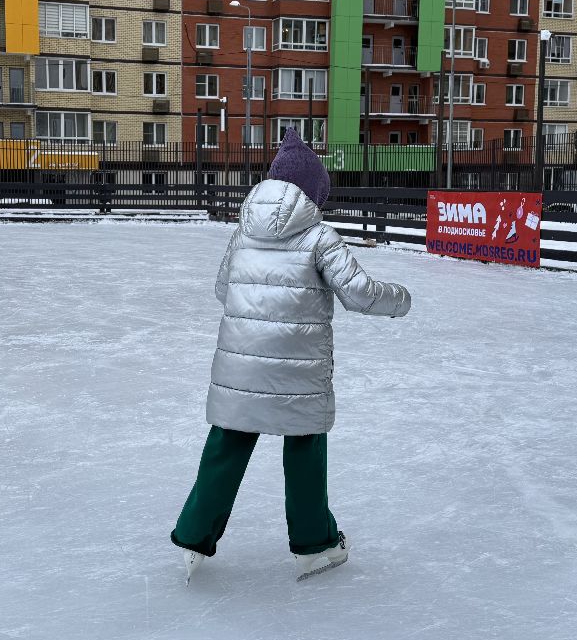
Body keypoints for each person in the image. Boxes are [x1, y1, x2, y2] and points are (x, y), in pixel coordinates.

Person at [171, 129, 412, 583]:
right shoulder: (320, 237)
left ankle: (192, 536)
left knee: (227, 445)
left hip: (240, 364)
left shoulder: (243, 232)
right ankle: (315, 544)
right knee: (304, 449)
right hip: (298, 371)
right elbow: (360, 294)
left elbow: (223, 290)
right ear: (314, 193)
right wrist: (400, 297)